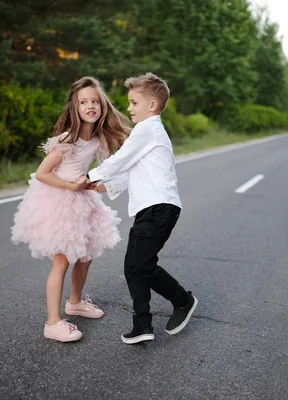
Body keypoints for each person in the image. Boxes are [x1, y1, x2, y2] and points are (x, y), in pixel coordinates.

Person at [11, 76, 131, 342]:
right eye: (83, 102)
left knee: (86, 255)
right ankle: (52, 323)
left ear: (102, 106)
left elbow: (104, 169)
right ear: (75, 108)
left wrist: (93, 185)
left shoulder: (98, 139)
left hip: (80, 196)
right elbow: (42, 173)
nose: (90, 106)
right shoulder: (69, 139)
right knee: (62, 260)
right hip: (60, 198)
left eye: (95, 101)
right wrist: (71, 186)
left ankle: (75, 303)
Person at [87, 73, 198, 344]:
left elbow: (122, 159)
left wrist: (91, 176)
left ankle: (183, 300)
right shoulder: (149, 134)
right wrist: (104, 187)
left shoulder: (148, 129)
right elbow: (132, 172)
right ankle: (142, 325)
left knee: (143, 265)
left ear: (152, 106)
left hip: (159, 207)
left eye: (134, 103)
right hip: (148, 209)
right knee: (132, 267)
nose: (129, 108)